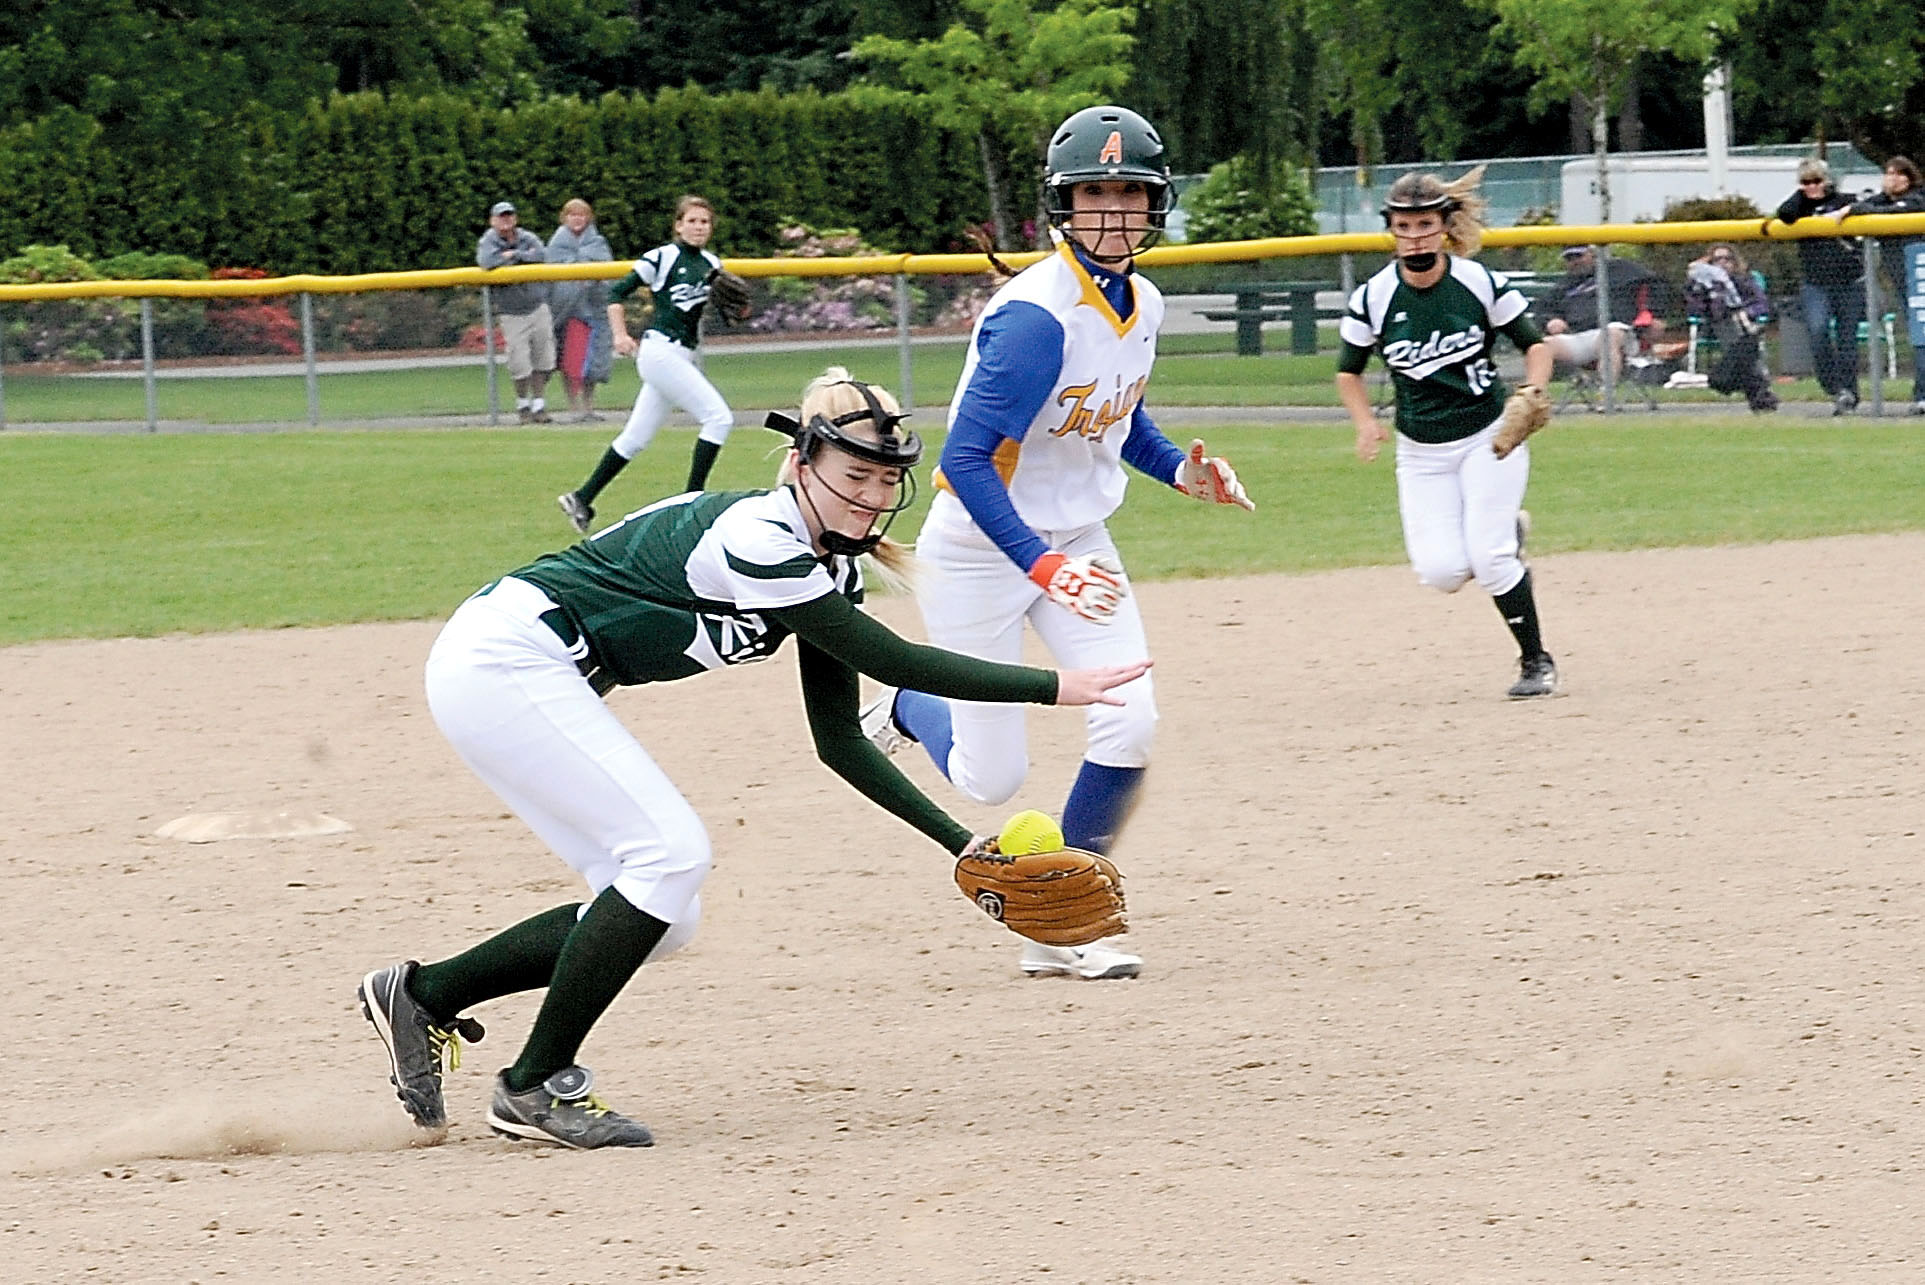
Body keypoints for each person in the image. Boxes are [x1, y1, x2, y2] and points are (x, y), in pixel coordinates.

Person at [358, 367, 1152, 1149]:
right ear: (802, 463)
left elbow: (838, 738)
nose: (872, 497)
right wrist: (1055, 683)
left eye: (885, 480)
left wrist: (957, 844)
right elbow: (903, 664)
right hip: (503, 660)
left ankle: (425, 993)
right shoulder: (756, 538)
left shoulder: (832, 567)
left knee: (660, 914)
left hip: (531, 672)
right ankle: (533, 1081)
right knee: (669, 856)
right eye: (854, 475)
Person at [857, 105, 1255, 984]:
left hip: (1079, 539)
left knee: (1131, 723)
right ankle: (899, 705)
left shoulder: (1140, 300)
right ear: (1060, 204)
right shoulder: (1033, 317)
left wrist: (1182, 474)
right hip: (981, 547)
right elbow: (963, 457)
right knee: (990, 780)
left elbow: (1118, 417)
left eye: (1128, 192)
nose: (1110, 211)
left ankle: (1060, 916)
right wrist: (1041, 566)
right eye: (1091, 193)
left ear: (1156, 203)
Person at [1333, 166, 1560, 701]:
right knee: (1441, 572)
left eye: (1425, 224)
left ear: (1444, 227)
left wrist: (1533, 390)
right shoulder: (1374, 297)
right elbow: (1349, 371)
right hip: (1421, 452)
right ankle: (1509, 534)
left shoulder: (1477, 282)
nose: (1415, 236)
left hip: (1489, 439)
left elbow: (1536, 345)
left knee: (1490, 557)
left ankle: (1537, 661)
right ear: (1391, 229)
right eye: (1404, 226)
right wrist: (1365, 422)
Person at [556, 195, 737, 533]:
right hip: (660, 353)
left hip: (682, 355)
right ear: (678, 225)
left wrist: (738, 312)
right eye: (692, 221)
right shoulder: (662, 257)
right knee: (719, 419)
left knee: (635, 437)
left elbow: (723, 310)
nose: (698, 227)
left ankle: (582, 498)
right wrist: (620, 335)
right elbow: (616, 294)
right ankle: (691, 501)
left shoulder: (713, 264)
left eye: (705, 222)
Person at [1823, 155, 1925, 413]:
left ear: (1910, 177)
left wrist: (1857, 209)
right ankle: (1921, 394)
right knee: (1918, 337)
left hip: (1920, 276)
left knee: (1922, 336)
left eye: (1900, 173)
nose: (1893, 178)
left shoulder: (1917, 197)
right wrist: (1852, 208)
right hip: (1904, 281)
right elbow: (1867, 205)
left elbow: (1899, 211)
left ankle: (1922, 394)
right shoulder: (1880, 200)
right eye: (1889, 172)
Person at [1775, 159, 1864, 416]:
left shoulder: (1843, 199)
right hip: (1816, 284)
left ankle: (1849, 392)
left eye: (1816, 181)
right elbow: (1784, 214)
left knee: (1847, 340)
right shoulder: (1800, 206)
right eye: (1806, 182)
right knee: (1817, 332)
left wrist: (1844, 211)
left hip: (1849, 282)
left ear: (1827, 181)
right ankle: (1835, 387)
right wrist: (1802, 195)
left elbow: (1863, 207)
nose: (1812, 187)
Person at [476, 201, 556, 424]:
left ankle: (539, 405)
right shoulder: (488, 240)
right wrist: (517, 256)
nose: (506, 220)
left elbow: (541, 254)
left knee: (544, 360)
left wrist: (513, 254)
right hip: (512, 312)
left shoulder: (527, 237)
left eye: (509, 216)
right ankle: (523, 405)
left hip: (537, 306)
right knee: (519, 362)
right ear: (493, 220)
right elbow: (486, 261)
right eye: (501, 216)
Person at [1539, 244, 1665, 381]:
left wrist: (1655, 314)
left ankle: (1605, 394)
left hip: (1622, 333)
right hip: (1579, 335)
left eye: (1579, 256)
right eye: (1569, 258)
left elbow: (1659, 285)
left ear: (1592, 254)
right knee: (1540, 346)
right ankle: (1533, 396)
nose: (1575, 262)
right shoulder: (1564, 285)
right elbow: (1543, 309)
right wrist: (1551, 320)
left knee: (1608, 336)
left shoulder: (1622, 269)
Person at [1683, 243, 1777, 413]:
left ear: (1735, 261)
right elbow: (1695, 309)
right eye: (1717, 259)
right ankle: (1761, 394)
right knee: (1735, 336)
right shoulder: (1705, 283)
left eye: (1728, 258)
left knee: (1739, 334)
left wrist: (1746, 312)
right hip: (1717, 326)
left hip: (1746, 324)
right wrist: (1696, 285)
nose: (1723, 263)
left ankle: (1734, 384)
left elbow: (1762, 304)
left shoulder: (1745, 280)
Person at [548, 198, 615, 422]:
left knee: (594, 359)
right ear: (564, 218)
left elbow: (607, 269)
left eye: (582, 214)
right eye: (572, 214)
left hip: (594, 308)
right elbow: (551, 272)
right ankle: (573, 407)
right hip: (567, 311)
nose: (577, 219)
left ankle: (589, 406)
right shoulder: (556, 244)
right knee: (571, 360)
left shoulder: (598, 242)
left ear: (588, 218)